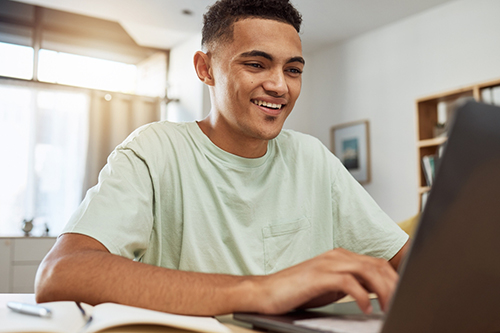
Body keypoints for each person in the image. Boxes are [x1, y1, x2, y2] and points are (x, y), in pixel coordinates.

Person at [35, 0, 409, 317]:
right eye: (256, 64)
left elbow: (405, 260)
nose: (280, 85)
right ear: (204, 68)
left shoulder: (312, 158)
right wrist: (263, 291)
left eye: (292, 70)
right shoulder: (155, 150)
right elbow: (59, 274)